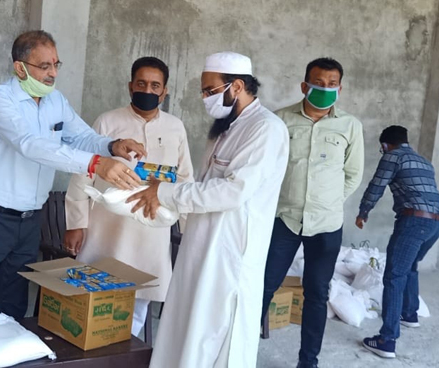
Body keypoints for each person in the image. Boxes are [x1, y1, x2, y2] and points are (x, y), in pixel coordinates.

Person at [0, 30, 148, 324]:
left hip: (30, 220)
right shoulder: (0, 99)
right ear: (20, 67)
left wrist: (112, 146)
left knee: (13, 302)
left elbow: (81, 136)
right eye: (44, 66)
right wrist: (96, 164)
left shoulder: (56, 101)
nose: (53, 73)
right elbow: (30, 145)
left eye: (56, 64)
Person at [129, 51, 289, 367]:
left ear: (238, 86)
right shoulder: (226, 127)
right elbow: (201, 184)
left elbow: (232, 192)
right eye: (204, 91)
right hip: (201, 245)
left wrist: (164, 193)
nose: (205, 99)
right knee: (186, 328)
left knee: (217, 338)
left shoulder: (266, 129)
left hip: (230, 254)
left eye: (211, 91)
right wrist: (166, 204)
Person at [63, 56, 193, 337]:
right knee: (94, 294)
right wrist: (76, 223)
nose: (148, 90)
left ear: (164, 91)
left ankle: (124, 354)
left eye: (155, 85)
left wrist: (188, 228)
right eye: (141, 83)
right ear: (130, 86)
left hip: (152, 228)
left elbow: (185, 179)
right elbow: (81, 173)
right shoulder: (108, 122)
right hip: (106, 227)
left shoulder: (175, 127)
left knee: (138, 301)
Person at [260, 57, 364, 368]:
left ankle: (308, 361)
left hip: (326, 224)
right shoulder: (279, 121)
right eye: (319, 83)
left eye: (332, 85)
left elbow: (353, 174)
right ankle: (240, 350)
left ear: (340, 89)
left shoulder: (350, 126)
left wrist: (328, 201)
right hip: (285, 219)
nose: (325, 89)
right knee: (264, 284)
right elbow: (268, 170)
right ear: (305, 85)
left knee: (317, 294)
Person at [357, 126, 439, 359]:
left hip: (414, 221)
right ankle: (409, 313)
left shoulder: (392, 156)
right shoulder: (425, 162)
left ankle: (386, 340)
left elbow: (377, 185)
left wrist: (363, 211)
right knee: (410, 267)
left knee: (394, 275)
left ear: (385, 145)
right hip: (436, 223)